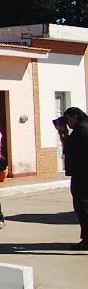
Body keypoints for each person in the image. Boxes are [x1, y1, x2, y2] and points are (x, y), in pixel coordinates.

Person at [60, 107, 88, 249]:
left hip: (82, 176)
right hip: (82, 173)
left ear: (75, 116)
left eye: (68, 119)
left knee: (82, 207)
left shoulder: (80, 131)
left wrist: (63, 133)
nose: (68, 122)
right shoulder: (83, 128)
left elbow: (69, 149)